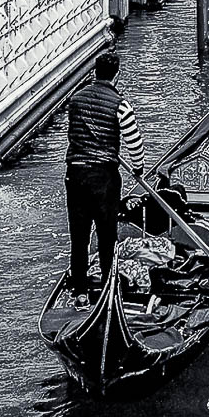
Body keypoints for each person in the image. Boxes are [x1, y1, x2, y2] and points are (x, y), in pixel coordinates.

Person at [65, 37, 145, 303]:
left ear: (94, 73)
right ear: (117, 75)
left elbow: (74, 135)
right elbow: (134, 143)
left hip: (74, 173)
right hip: (103, 177)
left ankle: (79, 292)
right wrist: (139, 169)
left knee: (79, 234)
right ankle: (109, 287)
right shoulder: (121, 105)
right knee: (106, 233)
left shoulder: (75, 100)